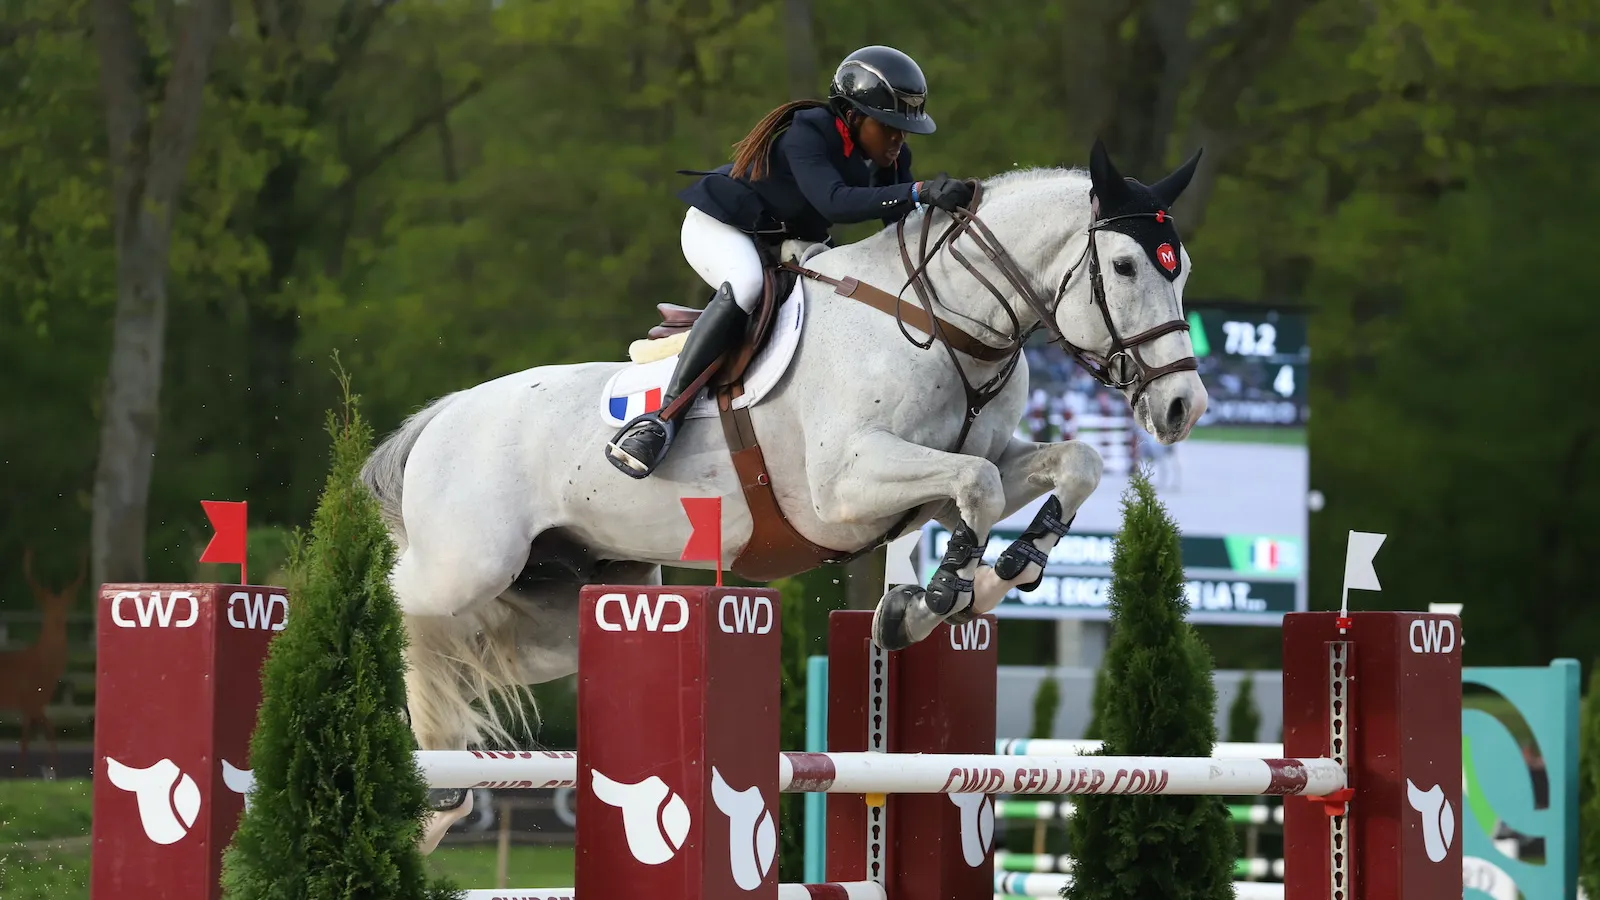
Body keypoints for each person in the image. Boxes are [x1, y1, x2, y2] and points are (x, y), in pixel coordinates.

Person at [604, 44, 977, 478]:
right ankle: (661, 421)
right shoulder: (809, 132)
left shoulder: (893, 158)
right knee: (746, 286)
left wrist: (940, 209)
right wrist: (917, 192)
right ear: (854, 116)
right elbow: (834, 203)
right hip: (722, 226)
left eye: (905, 130)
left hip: (786, 241)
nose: (899, 138)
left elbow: (896, 230)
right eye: (890, 126)